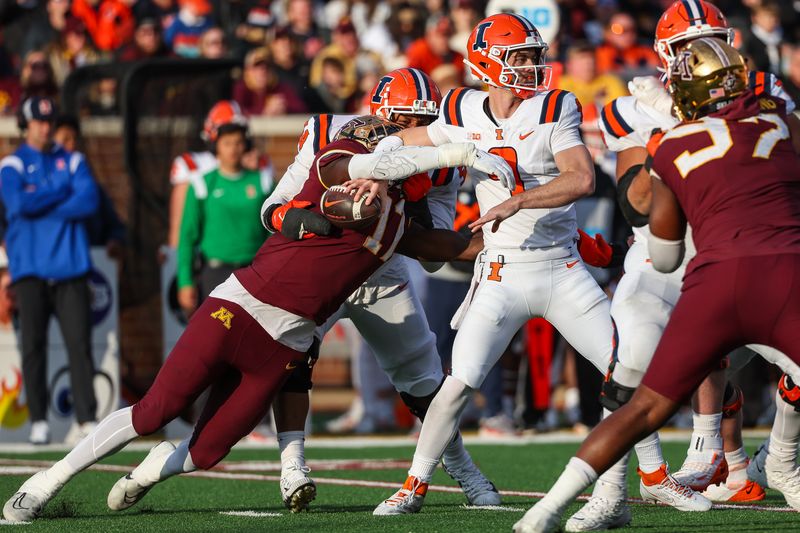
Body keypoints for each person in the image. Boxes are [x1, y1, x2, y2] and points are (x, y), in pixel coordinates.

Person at [1, 114, 512, 523]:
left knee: (208, 451)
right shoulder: (334, 162)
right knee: (155, 410)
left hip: (284, 345)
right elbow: (350, 170)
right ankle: (44, 483)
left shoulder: (397, 224)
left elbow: (455, 245)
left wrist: (531, 225)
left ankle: (152, 469)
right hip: (238, 309)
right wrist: (452, 150)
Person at [514, 37, 800, 533]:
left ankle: (773, 460)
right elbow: (634, 209)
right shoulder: (778, 120)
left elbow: (663, 237)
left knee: (640, 399)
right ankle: (612, 498)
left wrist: (667, 146)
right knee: (627, 376)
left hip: (705, 272)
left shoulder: (676, 140)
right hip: (704, 271)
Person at [372, 13, 615, 515]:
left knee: (623, 372)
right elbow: (409, 144)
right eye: (519, 56)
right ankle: (415, 484)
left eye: (533, 55)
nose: (531, 65)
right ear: (486, 61)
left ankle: (627, 488)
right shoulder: (460, 105)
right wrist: (372, 167)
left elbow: (581, 178)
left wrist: (518, 202)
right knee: (458, 382)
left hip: (560, 266)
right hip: (502, 272)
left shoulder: (555, 104)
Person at [262, 67, 503, 512]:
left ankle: (464, 470)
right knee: (292, 354)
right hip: (324, 268)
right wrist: (312, 219)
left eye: (426, 121)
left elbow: (432, 253)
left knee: (424, 380)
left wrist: (403, 193)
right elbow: (273, 207)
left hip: (383, 272)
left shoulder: (438, 163)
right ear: (382, 114)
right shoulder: (328, 133)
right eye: (410, 120)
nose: (419, 131)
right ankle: (292, 464)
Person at [0, 96, 99, 445]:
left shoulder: (72, 159)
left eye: (49, 121)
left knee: (79, 344)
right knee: (34, 347)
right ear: (25, 126)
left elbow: (88, 201)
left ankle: (87, 418)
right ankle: (38, 419)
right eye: (39, 122)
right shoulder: (11, 164)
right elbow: (16, 204)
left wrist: (39, 200)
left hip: (70, 266)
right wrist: (59, 191)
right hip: (30, 269)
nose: (46, 127)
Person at [176, 121, 273, 316]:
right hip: (214, 275)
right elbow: (186, 237)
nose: (233, 149)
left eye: (238, 143)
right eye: (227, 143)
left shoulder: (262, 182)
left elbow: (272, 233)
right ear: (216, 146)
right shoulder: (202, 184)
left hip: (254, 273)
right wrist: (185, 281)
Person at [167, 100, 273, 250]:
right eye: (227, 136)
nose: (234, 146)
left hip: (251, 251)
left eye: (239, 136)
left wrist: (249, 172)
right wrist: (175, 255)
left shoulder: (258, 167)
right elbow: (179, 229)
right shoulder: (192, 165)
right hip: (205, 256)